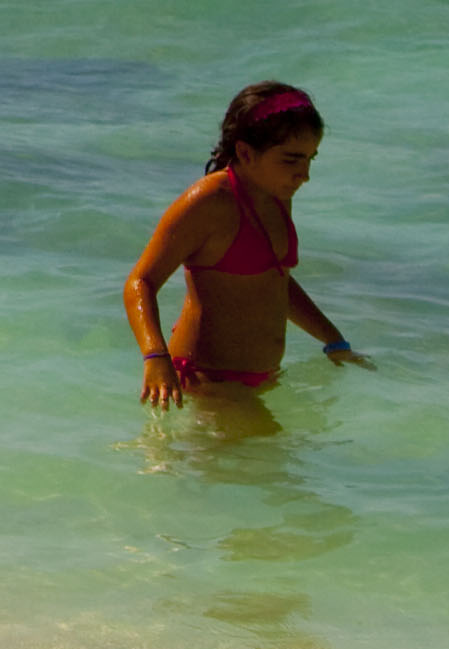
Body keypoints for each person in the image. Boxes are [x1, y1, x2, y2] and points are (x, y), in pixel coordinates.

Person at [123, 79, 365, 406]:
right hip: (208, 378)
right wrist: (155, 358)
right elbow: (141, 282)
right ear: (245, 152)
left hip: (262, 377)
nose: (304, 174)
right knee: (272, 455)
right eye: (291, 160)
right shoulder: (209, 202)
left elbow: (273, 282)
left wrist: (334, 342)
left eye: (311, 159)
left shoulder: (275, 195)